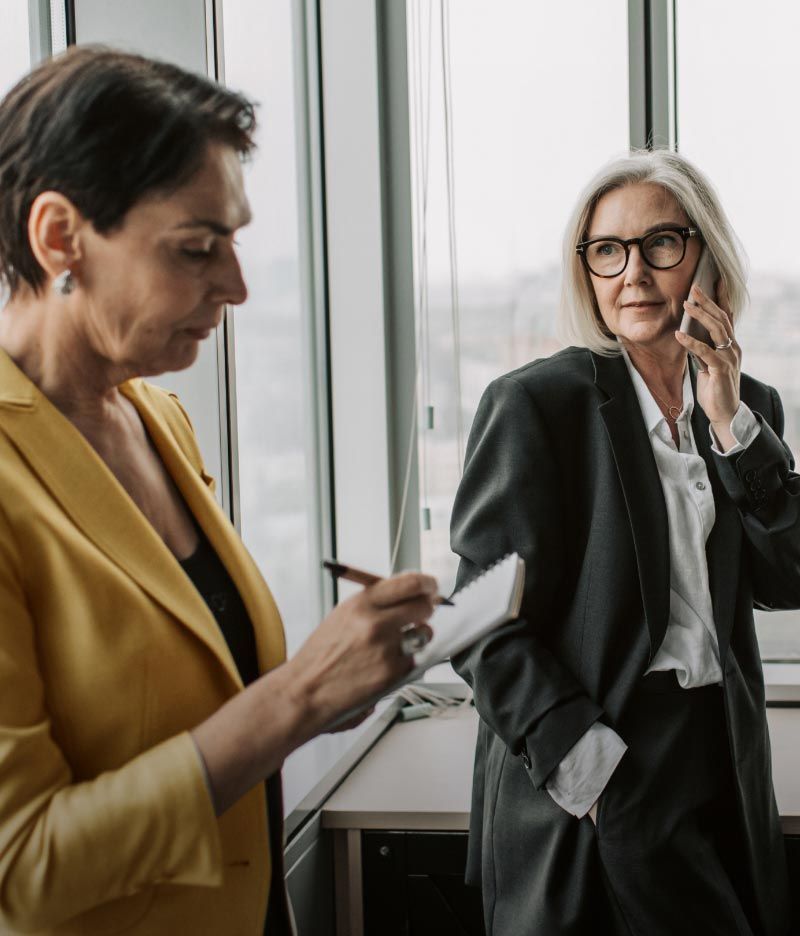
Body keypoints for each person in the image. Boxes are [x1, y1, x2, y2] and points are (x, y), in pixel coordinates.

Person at [0, 46, 437, 935]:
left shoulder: (158, 418)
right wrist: (298, 697)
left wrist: (337, 681)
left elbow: (189, 708)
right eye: (199, 248)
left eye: (234, 241)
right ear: (59, 237)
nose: (236, 286)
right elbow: (23, 868)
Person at [451, 149, 799, 936]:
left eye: (660, 244)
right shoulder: (539, 404)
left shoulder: (749, 406)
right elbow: (476, 620)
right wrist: (593, 771)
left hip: (720, 755)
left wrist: (729, 424)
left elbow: (790, 576)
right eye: (608, 250)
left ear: (705, 257)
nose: (633, 272)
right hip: (607, 757)